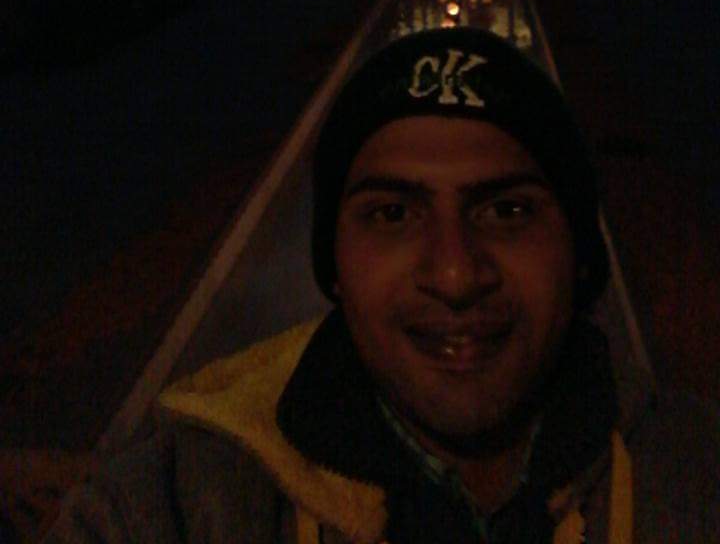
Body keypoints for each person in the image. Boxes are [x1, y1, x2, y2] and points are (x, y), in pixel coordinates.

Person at [45, 28, 720, 543]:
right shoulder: (178, 503)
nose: (455, 275)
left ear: (579, 254)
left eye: (507, 210)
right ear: (334, 266)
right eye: (393, 214)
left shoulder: (695, 476)